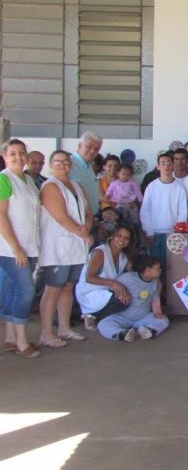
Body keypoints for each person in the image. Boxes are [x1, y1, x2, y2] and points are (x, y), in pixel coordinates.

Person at [38, 149, 93, 347]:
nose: (63, 165)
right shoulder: (50, 186)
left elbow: (87, 211)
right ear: (51, 165)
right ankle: (46, 332)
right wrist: (84, 233)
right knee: (53, 288)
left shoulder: (77, 186)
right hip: (58, 246)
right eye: (58, 161)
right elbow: (60, 217)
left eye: (66, 161)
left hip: (76, 245)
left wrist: (86, 226)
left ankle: (64, 328)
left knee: (68, 287)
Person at [0, 139, 42, 358]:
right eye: (13, 153)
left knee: (11, 288)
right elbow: (1, 216)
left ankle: (9, 337)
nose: (18, 157)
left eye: (22, 153)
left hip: (30, 244)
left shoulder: (28, 180)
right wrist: (16, 248)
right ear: (5, 156)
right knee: (25, 290)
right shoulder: (3, 179)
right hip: (11, 248)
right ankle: (22, 342)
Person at [76, 224, 135, 331]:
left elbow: (132, 274)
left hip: (106, 290)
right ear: (112, 236)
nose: (122, 240)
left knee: (129, 297)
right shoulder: (100, 252)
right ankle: (90, 314)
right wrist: (114, 284)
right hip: (90, 291)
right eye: (119, 236)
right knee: (120, 300)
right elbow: (89, 278)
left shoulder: (123, 256)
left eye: (126, 238)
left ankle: (100, 316)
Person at [96, 255, 169, 342]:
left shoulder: (156, 282)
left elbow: (155, 298)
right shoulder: (127, 278)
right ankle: (122, 334)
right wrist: (121, 295)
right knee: (103, 324)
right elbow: (111, 290)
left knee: (164, 320)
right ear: (148, 270)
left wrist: (157, 312)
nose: (160, 270)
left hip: (142, 317)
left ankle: (148, 330)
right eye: (158, 268)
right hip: (122, 316)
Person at [140, 152, 188, 269]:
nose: (166, 166)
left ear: (173, 165)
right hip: (155, 234)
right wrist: (149, 232)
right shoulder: (151, 187)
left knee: (172, 267)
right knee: (155, 266)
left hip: (173, 234)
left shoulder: (179, 188)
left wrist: (178, 232)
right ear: (158, 167)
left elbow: (183, 212)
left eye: (169, 163)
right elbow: (145, 211)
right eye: (163, 163)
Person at [68, 131, 103, 217]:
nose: (92, 151)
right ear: (80, 145)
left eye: (96, 149)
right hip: (75, 219)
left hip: (91, 218)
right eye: (88, 147)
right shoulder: (68, 164)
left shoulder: (89, 166)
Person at [173, 147, 188, 222]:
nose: (179, 162)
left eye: (182, 159)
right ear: (173, 161)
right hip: (172, 221)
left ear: (187, 160)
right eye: (177, 159)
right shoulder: (168, 179)